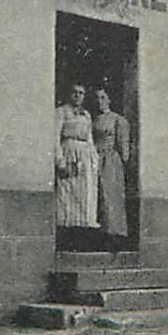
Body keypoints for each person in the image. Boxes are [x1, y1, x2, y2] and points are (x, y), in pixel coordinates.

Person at [54, 84, 100, 234]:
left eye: (81, 93)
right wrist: (60, 161)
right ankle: (67, 228)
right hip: (69, 151)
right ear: (69, 94)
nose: (78, 96)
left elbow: (90, 139)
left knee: (85, 192)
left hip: (85, 155)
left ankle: (84, 228)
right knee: (67, 191)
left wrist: (94, 159)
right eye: (74, 92)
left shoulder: (86, 114)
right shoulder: (61, 112)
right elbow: (55, 137)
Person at [90, 87, 131, 244]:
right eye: (97, 98)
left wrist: (121, 161)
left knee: (109, 197)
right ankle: (96, 235)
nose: (99, 101)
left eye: (102, 97)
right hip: (94, 158)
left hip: (110, 161)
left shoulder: (117, 119)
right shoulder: (92, 119)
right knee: (96, 196)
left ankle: (113, 235)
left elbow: (123, 146)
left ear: (109, 100)